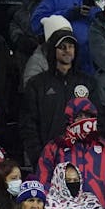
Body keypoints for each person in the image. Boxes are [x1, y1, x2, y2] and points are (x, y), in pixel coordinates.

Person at [21, 20, 97, 165]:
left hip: (83, 159)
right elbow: (28, 125)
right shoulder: (37, 84)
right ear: (52, 50)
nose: (67, 50)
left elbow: (99, 121)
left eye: (70, 46)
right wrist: (39, 157)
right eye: (62, 47)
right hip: (48, 160)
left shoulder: (88, 83)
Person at [37, 97, 105, 209]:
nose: (85, 120)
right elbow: (43, 181)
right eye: (80, 116)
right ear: (70, 118)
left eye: (88, 115)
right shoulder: (54, 147)